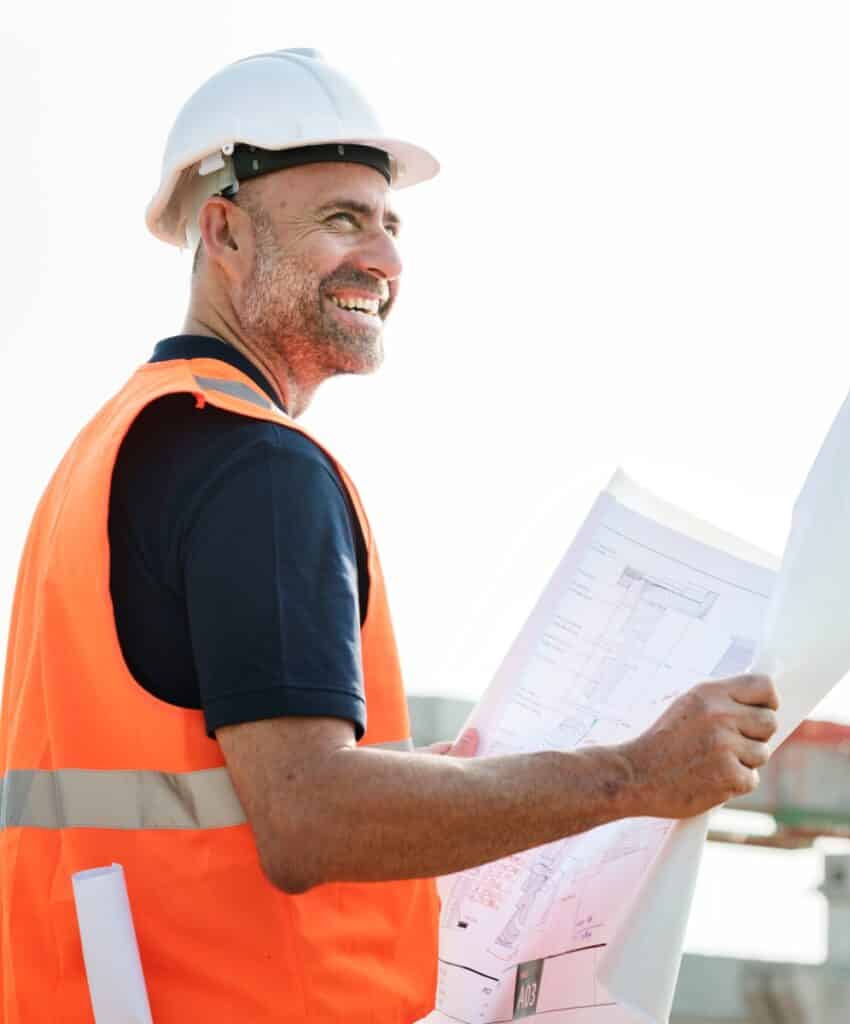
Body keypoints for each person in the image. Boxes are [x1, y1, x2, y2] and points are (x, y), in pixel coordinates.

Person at [0, 48, 779, 1022]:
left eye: (390, 223)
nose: (385, 259)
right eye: (341, 219)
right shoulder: (256, 468)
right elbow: (308, 817)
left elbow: (216, 783)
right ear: (224, 231)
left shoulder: (121, 444)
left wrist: (425, 789)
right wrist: (630, 775)